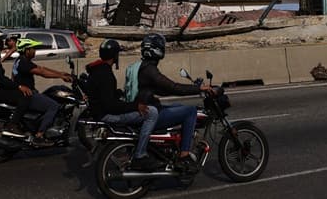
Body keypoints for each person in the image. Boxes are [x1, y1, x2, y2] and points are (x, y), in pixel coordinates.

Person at [137, 33, 213, 173]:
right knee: (190, 111)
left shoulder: (146, 67)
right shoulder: (150, 70)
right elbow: (173, 87)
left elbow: (163, 89)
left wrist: (191, 89)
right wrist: (198, 88)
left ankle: (174, 144)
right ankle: (184, 154)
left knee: (179, 107)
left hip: (150, 107)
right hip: (151, 112)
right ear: (157, 49)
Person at [85, 39, 161, 171]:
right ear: (115, 56)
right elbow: (111, 106)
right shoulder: (106, 74)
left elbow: (104, 95)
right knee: (152, 112)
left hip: (98, 112)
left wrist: (118, 93)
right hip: (106, 115)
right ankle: (140, 155)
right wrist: (135, 106)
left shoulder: (95, 70)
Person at [12, 37, 73, 147]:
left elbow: (42, 68)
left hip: (25, 94)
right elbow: (42, 73)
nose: (34, 51)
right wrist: (60, 76)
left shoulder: (20, 61)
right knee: (53, 106)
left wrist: (61, 73)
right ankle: (39, 136)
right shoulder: (24, 63)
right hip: (28, 95)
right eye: (33, 49)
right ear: (27, 50)